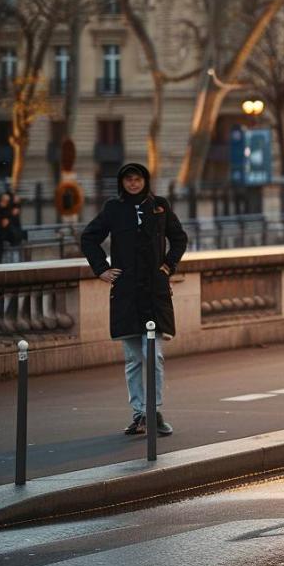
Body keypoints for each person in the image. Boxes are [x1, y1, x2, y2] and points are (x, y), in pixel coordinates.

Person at [80, 163, 188, 436]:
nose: (133, 184)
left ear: (145, 181)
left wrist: (168, 266)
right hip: (126, 293)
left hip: (155, 293)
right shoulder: (113, 209)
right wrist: (101, 269)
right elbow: (89, 237)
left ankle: (154, 411)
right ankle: (139, 413)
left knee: (154, 355)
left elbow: (179, 238)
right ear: (122, 183)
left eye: (137, 179)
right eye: (128, 180)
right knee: (132, 358)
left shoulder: (160, 206)